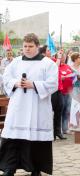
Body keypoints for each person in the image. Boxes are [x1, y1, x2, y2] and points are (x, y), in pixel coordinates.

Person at [0, 33, 58, 176]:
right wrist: (16, 83)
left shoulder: (48, 63)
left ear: (37, 47)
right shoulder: (16, 62)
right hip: (18, 108)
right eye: (25, 46)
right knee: (12, 138)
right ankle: (9, 168)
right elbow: (6, 79)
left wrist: (33, 84)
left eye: (30, 46)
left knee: (36, 142)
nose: (27, 49)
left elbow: (53, 84)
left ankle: (35, 169)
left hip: (37, 108)